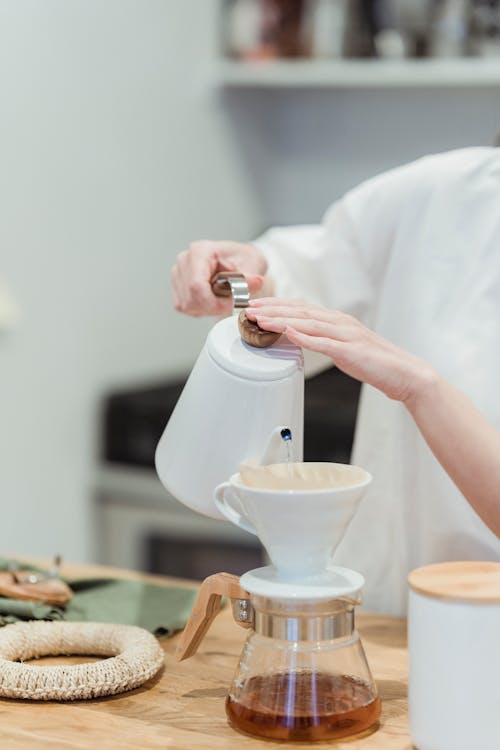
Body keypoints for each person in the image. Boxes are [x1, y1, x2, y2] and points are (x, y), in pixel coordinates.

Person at [172, 146, 500, 615]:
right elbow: (322, 264)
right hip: (388, 608)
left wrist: (421, 387)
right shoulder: (444, 192)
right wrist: (247, 271)